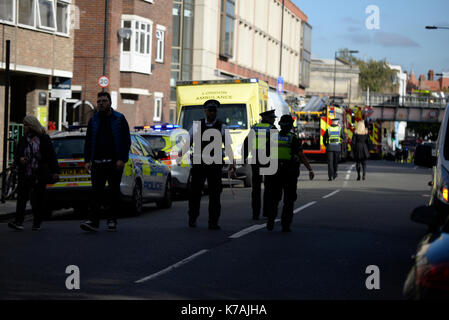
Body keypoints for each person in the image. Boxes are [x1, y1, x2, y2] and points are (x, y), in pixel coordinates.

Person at [80, 92, 131, 232]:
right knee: (96, 193)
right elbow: (88, 141)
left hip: (114, 162)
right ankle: (93, 221)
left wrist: (122, 158)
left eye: (104, 100)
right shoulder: (94, 120)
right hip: (97, 162)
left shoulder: (119, 119)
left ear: (110, 103)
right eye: (99, 101)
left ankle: (112, 219)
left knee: (113, 192)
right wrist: (87, 160)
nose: (101, 103)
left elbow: (126, 140)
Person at [186, 99, 236, 230]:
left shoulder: (222, 126)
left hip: (214, 167)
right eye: (210, 110)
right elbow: (187, 143)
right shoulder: (197, 126)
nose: (212, 113)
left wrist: (232, 162)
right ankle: (192, 218)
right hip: (199, 166)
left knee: (215, 195)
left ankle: (213, 221)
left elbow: (229, 146)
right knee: (195, 193)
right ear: (205, 111)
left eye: (214, 111)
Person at [8, 116, 60, 231]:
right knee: (21, 198)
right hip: (25, 173)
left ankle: (37, 222)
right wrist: (20, 159)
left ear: (31, 126)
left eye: (26, 125)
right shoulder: (23, 139)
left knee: (37, 199)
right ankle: (18, 222)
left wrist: (55, 171)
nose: (24, 127)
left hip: (39, 173)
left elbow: (51, 156)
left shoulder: (44, 138)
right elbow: (17, 154)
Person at [266, 114, 314, 232]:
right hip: (289, 172)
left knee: (274, 198)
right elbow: (301, 155)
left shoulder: (273, 137)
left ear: (280, 125)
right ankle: (285, 224)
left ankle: (270, 220)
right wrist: (310, 169)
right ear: (291, 126)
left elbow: (266, 153)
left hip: (275, 171)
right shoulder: (293, 138)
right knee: (289, 199)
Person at [242, 109, 278, 220]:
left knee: (256, 188)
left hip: (255, 160)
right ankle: (266, 212)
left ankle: (255, 213)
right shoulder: (272, 128)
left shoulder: (255, 127)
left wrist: (244, 157)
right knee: (268, 187)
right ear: (266, 118)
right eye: (272, 118)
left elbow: (247, 142)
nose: (273, 120)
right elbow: (276, 145)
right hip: (268, 161)